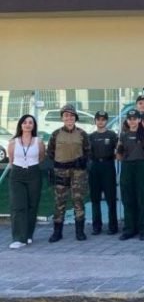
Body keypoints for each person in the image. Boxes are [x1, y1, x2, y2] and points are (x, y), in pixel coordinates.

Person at [47, 104, 91, 243]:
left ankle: (80, 232)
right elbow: (50, 152)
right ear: (62, 118)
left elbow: (88, 151)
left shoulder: (82, 134)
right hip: (60, 171)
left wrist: (82, 161)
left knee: (78, 200)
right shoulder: (56, 134)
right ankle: (57, 232)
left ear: (75, 118)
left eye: (72, 116)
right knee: (60, 201)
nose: (69, 118)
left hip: (78, 172)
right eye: (66, 115)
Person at [116, 110, 144, 241]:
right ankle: (129, 229)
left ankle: (143, 229)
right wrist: (127, 160)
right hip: (127, 167)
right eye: (130, 119)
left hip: (142, 168)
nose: (132, 121)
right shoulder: (123, 135)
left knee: (143, 198)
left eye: (135, 119)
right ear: (127, 121)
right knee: (128, 198)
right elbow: (118, 154)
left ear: (139, 120)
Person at [7, 115, 45, 249]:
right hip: (17, 174)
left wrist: (30, 165)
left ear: (33, 126)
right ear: (20, 125)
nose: (27, 125)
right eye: (25, 122)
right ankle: (18, 238)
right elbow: (11, 160)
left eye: (30, 123)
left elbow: (41, 158)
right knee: (18, 206)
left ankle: (28, 234)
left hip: (34, 173)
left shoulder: (38, 142)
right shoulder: (13, 142)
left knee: (32, 205)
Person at [89, 111, 119, 236]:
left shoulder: (112, 135)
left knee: (110, 198)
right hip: (94, 167)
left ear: (106, 121)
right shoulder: (90, 136)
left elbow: (119, 150)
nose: (101, 122)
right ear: (95, 121)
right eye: (98, 119)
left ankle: (113, 226)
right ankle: (97, 226)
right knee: (95, 199)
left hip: (108, 166)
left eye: (103, 119)